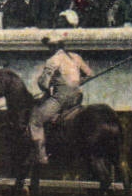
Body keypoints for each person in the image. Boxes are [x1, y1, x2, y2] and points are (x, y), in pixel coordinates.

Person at [27, 34, 92, 165]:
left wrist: (48, 88)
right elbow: (89, 73)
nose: (49, 49)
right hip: (77, 98)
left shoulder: (53, 60)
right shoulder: (75, 57)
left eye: (50, 46)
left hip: (61, 99)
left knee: (35, 120)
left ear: (53, 47)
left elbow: (43, 84)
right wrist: (78, 82)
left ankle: (41, 156)